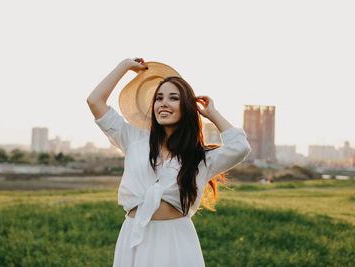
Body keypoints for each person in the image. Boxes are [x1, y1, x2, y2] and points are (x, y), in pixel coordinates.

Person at [86, 58, 251, 267]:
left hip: (176, 241)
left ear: (187, 107)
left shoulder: (200, 157)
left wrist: (213, 114)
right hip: (134, 237)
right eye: (158, 98)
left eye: (173, 98)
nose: (163, 103)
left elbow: (240, 147)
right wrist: (124, 67)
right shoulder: (133, 139)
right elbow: (95, 101)